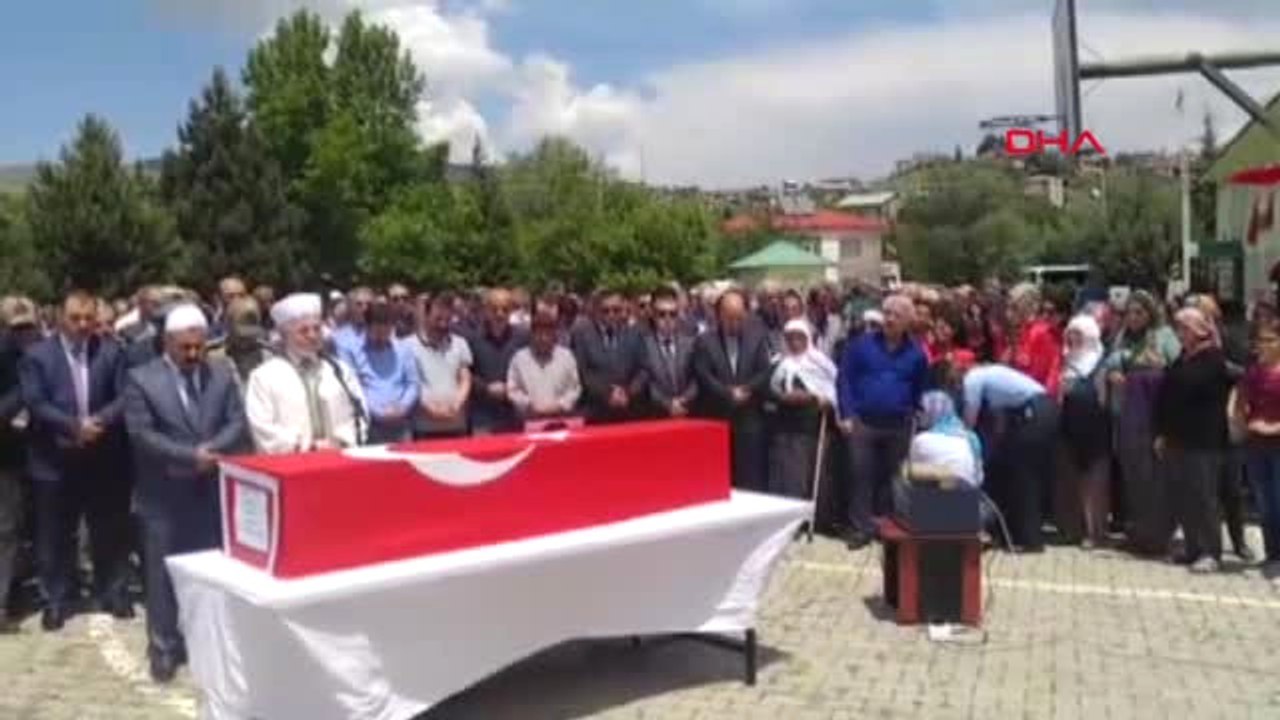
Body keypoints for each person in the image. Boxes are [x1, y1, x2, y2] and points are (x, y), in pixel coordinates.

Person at [123, 305, 249, 682]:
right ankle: (163, 647)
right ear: (167, 344)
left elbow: (236, 420)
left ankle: (206, 640)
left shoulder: (221, 374)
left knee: (209, 570)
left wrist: (211, 451)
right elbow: (142, 434)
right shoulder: (141, 379)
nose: (194, 355)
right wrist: (191, 456)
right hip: (164, 495)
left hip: (209, 491)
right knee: (161, 574)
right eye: (185, 348)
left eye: (199, 347)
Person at [19, 291, 132, 630]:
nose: (83, 325)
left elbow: (125, 394)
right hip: (54, 459)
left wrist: (99, 421)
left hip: (102, 455)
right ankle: (57, 599)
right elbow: (36, 402)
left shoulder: (111, 352)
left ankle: (112, 591)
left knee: (107, 528)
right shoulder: (38, 356)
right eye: (75, 318)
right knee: (56, 534)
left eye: (88, 318)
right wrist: (73, 427)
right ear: (59, 319)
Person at [836, 295, 929, 549]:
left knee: (891, 477)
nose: (889, 318)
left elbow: (920, 387)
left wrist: (915, 411)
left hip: (898, 423)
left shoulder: (917, 354)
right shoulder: (860, 345)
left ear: (908, 321)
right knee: (860, 474)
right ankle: (859, 528)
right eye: (887, 312)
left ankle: (884, 525)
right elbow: (844, 379)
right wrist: (845, 414)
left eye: (896, 314)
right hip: (863, 421)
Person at [1154, 307, 1234, 573]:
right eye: (1178, 328)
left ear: (1199, 329)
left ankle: (1211, 552)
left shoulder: (1213, 358)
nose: (1180, 333)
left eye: (1185, 328)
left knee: (1204, 497)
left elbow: (1198, 393)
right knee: (1184, 496)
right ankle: (1192, 548)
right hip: (1177, 439)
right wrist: (1162, 432)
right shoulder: (1182, 358)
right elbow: (1168, 395)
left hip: (1204, 441)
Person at [1104, 290, 1181, 556]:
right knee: (1132, 476)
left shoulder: (1165, 336)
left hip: (1155, 415)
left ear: (1150, 313)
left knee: (1156, 478)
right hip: (1127, 414)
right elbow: (1109, 363)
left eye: (1139, 312)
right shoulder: (1121, 338)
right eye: (1129, 313)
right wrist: (1112, 373)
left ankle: (1159, 536)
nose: (1133, 318)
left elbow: (1178, 368)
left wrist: (1159, 366)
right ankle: (1138, 532)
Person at [245, 293, 367, 454]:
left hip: (339, 459)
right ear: (284, 335)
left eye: (317, 329)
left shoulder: (339, 371)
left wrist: (342, 442)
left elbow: (359, 413)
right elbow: (261, 426)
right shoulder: (264, 377)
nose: (312, 335)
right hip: (290, 464)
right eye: (303, 331)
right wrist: (306, 447)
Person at [961, 363, 1057, 552]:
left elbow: (970, 412)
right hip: (1045, 409)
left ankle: (1030, 540)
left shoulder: (973, 377)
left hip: (1035, 412)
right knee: (1022, 473)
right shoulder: (996, 376)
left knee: (1024, 475)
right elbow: (1001, 423)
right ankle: (1018, 534)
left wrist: (962, 435)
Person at [692, 289, 774, 492]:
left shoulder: (757, 338)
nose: (734, 324)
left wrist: (746, 390)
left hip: (749, 420)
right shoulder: (705, 341)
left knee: (750, 480)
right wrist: (728, 393)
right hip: (718, 419)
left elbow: (765, 372)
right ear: (718, 316)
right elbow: (703, 375)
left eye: (739, 318)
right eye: (729, 318)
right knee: (719, 481)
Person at [0, 296, 41, 631]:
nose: (25, 333)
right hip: (6, 453)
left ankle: (13, 588)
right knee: (6, 529)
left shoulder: (36, 353)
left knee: (16, 528)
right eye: (18, 328)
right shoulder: (7, 357)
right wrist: (23, 394)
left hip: (26, 452)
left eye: (30, 326)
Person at [1057, 314, 1111, 548]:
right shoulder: (1064, 360)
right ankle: (1072, 530)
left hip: (1096, 429)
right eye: (1070, 333)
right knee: (1070, 481)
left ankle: (1095, 532)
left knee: (1095, 484)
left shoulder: (1102, 361)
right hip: (1068, 427)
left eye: (1078, 334)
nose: (1072, 338)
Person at [768, 320, 837, 499]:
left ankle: (811, 517)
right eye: (790, 339)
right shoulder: (778, 363)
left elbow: (833, 391)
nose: (794, 343)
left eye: (799, 338)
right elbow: (768, 391)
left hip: (809, 428)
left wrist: (814, 398)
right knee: (783, 473)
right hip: (783, 427)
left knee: (807, 474)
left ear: (808, 340)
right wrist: (783, 398)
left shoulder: (820, 363)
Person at [341, 303, 418, 444]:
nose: (382, 337)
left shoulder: (403, 349)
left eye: (387, 331)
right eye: (377, 332)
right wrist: (378, 412)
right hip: (370, 425)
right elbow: (353, 388)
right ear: (367, 327)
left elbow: (412, 383)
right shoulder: (351, 351)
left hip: (401, 424)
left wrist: (402, 406)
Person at [1238, 321, 1280, 567]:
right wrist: (1241, 418)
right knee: (1265, 502)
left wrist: (1274, 427)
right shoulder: (1254, 372)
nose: (1263, 346)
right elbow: (1241, 400)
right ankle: (1272, 552)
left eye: (1270, 340)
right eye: (1260, 341)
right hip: (1256, 444)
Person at [572, 290, 648, 424]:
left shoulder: (634, 334)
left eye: (616, 310)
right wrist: (607, 393)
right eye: (605, 310)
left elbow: (643, 370)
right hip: (596, 412)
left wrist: (628, 392)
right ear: (596, 311)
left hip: (628, 411)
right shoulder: (583, 335)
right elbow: (583, 372)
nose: (611, 315)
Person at [408, 294, 472, 439]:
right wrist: (432, 409)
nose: (443, 324)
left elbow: (465, 378)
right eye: (438, 319)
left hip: (457, 424)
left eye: (447, 319)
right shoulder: (408, 346)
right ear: (426, 315)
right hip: (424, 427)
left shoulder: (460, 343)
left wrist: (457, 403)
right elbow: (412, 383)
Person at [467, 289, 527, 435]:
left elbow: (529, 369)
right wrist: (486, 388)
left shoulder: (523, 338)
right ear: (486, 310)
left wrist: (511, 387)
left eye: (505, 309)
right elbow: (466, 373)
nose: (499, 314)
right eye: (494, 309)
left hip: (514, 414)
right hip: (482, 416)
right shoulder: (473, 339)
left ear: (511, 311)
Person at [507, 309, 581, 422]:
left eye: (548, 334)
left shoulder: (566, 357)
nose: (543, 338)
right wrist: (529, 405)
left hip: (560, 419)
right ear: (532, 334)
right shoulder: (519, 358)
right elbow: (513, 390)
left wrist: (559, 405)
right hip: (528, 420)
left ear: (555, 334)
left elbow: (574, 388)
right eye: (539, 334)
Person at [907, 390, 983, 490]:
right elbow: (979, 478)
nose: (918, 414)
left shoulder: (922, 440)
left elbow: (911, 473)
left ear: (932, 411)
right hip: (966, 495)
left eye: (922, 409)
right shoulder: (971, 437)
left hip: (932, 497)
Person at [643, 287, 698, 419]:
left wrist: (683, 400)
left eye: (673, 314)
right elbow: (646, 382)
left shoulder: (691, 344)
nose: (667, 319)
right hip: (655, 416)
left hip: (688, 413)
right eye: (661, 314)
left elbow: (698, 378)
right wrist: (668, 404)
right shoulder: (642, 345)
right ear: (652, 314)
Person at [206, 297, 271, 387]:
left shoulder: (270, 356)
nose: (245, 342)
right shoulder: (211, 356)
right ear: (228, 324)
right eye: (240, 336)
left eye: (249, 336)